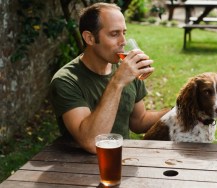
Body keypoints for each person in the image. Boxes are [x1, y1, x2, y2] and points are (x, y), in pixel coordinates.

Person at [49, 2, 169, 154]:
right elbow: (92, 143)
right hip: (78, 169)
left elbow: (139, 121)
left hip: (122, 160)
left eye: (124, 33)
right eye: (114, 34)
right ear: (90, 38)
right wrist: (117, 82)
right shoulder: (65, 81)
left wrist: (177, 111)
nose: (123, 42)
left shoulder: (127, 69)